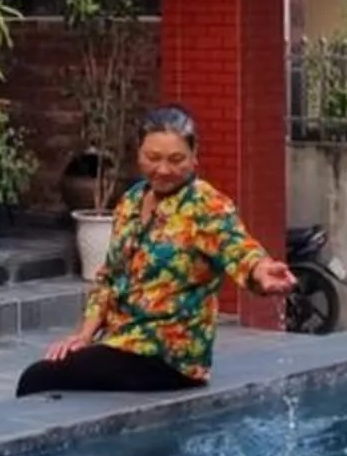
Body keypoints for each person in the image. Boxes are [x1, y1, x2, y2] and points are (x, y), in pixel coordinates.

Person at [17, 105, 295, 396]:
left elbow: (238, 248)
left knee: (38, 379)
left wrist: (263, 271)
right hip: (122, 343)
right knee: (50, 374)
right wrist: (83, 336)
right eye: (153, 158)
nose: (163, 170)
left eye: (176, 159)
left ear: (194, 156)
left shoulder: (205, 204)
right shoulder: (131, 201)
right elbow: (109, 278)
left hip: (169, 357)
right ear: (138, 154)